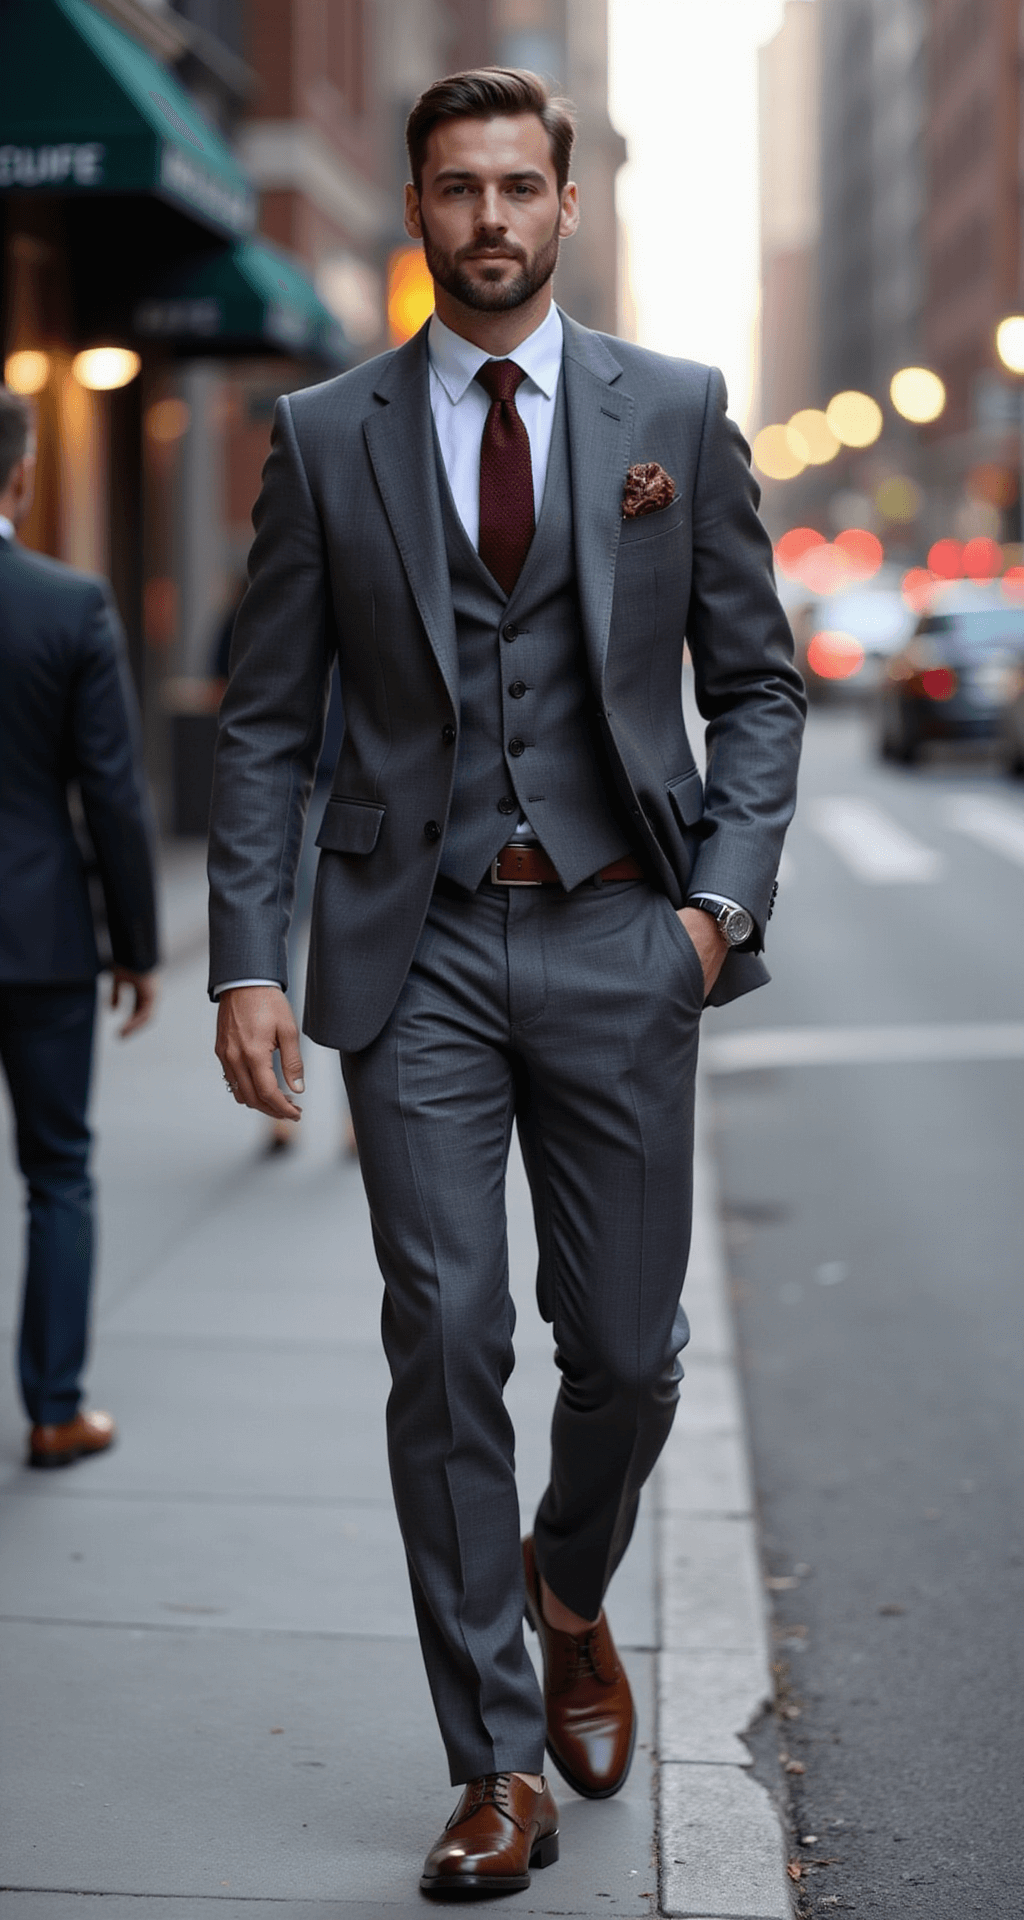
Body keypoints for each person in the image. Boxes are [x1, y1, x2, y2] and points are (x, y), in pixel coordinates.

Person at [208, 68, 804, 1897]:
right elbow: (261, 720)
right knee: (446, 1337)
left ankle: (563, 1586)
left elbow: (757, 686)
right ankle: (490, 1765)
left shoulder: (674, 415)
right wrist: (246, 955)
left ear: (564, 204)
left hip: (625, 929)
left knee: (619, 1355)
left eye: (516, 187)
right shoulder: (326, 434)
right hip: (423, 951)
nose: (486, 219)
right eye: (455, 187)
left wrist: (708, 912)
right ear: (412, 206)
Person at [0, 387, 159, 1469]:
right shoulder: (66, 604)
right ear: (20, 475)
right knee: (59, 1171)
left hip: (42, 936)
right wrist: (136, 945)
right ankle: (54, 1410)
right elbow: (112, 792)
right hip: (38, 934)